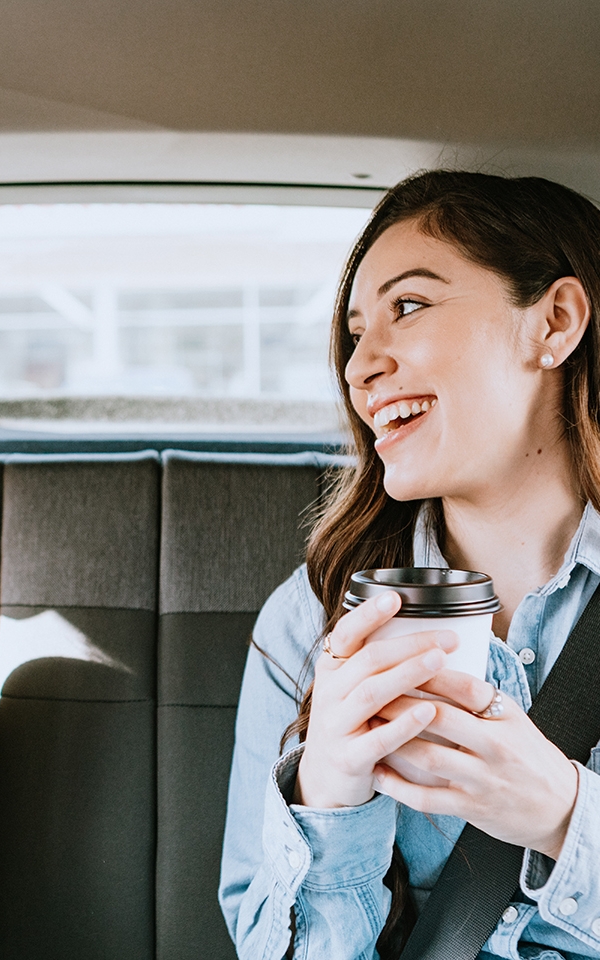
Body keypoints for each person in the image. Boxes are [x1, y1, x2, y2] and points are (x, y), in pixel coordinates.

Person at [219, 169, 600, 959]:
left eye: (410, 306)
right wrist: (328, 801)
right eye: (357, 332)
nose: (358, 367)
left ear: (555, 322)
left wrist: (565, 817)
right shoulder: (313, 617)